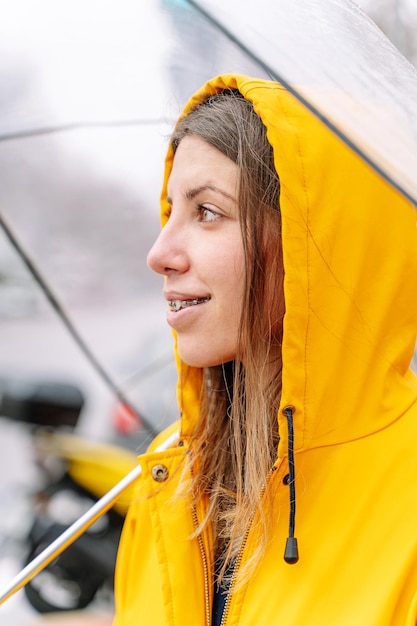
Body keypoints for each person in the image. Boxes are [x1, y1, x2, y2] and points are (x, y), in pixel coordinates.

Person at [112, 74, 417, 625]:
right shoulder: (168, 477)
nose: (160, 252)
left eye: (207, 212)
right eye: (170, 210)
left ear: (313, 239)